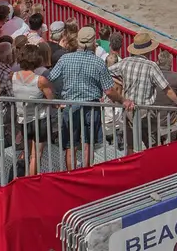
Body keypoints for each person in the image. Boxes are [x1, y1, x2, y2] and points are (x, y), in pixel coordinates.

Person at [48, 26, 122, 170]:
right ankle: (86, 173)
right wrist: (123, 100)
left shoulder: (65, 59)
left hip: (70, 105)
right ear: (93, 42)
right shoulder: (98, 62)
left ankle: (71, 174)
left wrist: (54, 98)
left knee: (70, 145)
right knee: (88, 143)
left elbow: (50, 79)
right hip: (91, 107)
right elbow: (109, 91)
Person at [109, 31, 177, 150]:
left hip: (129, 110)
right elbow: (166, 89)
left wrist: (120, 83)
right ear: (148, 50)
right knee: (153, 146)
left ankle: (132, 161)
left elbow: (106, 72)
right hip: (145, 112)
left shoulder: (125, 62)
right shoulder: (151, 66)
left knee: (130, 145)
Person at [10, 42, 55, 177]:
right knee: (36, 154)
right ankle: (30, 180)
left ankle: (21, 177)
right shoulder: (40, 80)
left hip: (23, 119)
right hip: (39, 119)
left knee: (27, 150)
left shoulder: (13, 76)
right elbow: (51, 99)